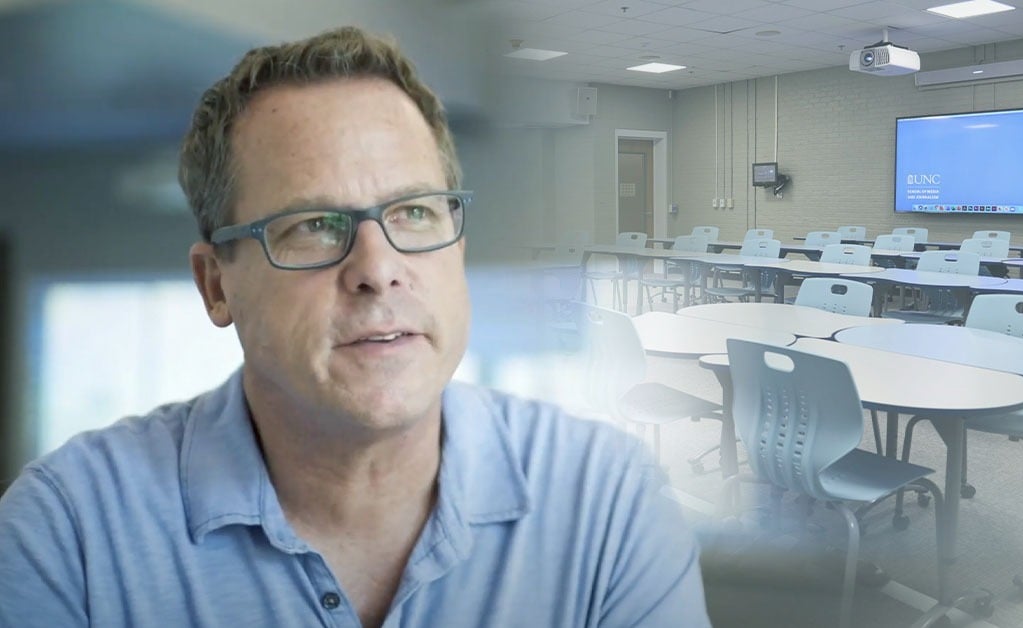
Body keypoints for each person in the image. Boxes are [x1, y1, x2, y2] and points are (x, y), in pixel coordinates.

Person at [0, 27, 709, 627]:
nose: (379, 268)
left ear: (457, 247)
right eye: (315, 225)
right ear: (217, 286)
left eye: (413, 214)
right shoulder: (69, 534)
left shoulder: (609, 504)